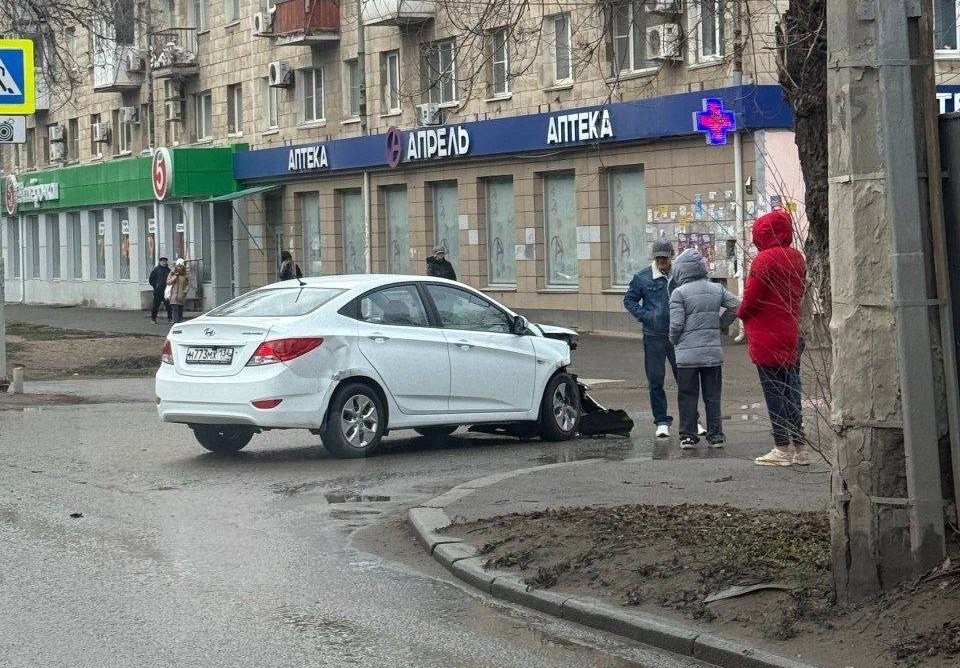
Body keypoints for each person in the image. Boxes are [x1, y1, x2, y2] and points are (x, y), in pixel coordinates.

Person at [736, 209, 809, 466]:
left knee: (774, 392)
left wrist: (739, 313)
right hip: (790, 332)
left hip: (767, 336)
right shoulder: (796, 258)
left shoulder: (764, 260)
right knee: (792, 390)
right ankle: (800, 448)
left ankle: (781, 448)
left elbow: (752, 299)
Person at [624, 238, 706, 438]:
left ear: (671, 257)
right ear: (654, 257)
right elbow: (629, 300)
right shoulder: (643, 277)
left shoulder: (679, 276)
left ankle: (693, 420)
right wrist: (646, 316)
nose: (662, 260)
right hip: (653, 336)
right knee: (655, 380)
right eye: (658, 257)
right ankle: (661, 421)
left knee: (685, 380)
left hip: (678, 336)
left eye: (665, 257)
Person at [668, 248, 740, 449]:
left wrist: (674, 341)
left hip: (687, 355)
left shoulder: (678, 293)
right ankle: (716, 436)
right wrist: (721, 323)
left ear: (681, 271)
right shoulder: (716, 289)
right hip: (712, 354)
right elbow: (736, 305)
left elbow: (675, 325)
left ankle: (688, 436)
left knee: (687, 396)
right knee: (712, 397)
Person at [148, 256, 172, 325]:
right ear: (160, 262)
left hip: (166, 291)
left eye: (165, 261)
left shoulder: (168, 270)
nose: (164, 262)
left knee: (168, 306)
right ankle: (153, 319)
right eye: (163, 261)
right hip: (158, 291)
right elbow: (151, 279)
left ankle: (170, 319)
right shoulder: (156, 270)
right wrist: (156, 286)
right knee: (155, 305)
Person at [166, 258, 190, 324]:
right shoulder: (172, 273)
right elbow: (168, 282)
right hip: (173, 296)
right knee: (175, 310)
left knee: (180, 310)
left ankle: (179, 322)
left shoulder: (185, 275)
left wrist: (185, 290)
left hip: (181, 296)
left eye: (180, 266)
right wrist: (175, 277)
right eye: (178, 266)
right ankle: (175, 322)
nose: (179, 267)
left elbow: (188, 283)